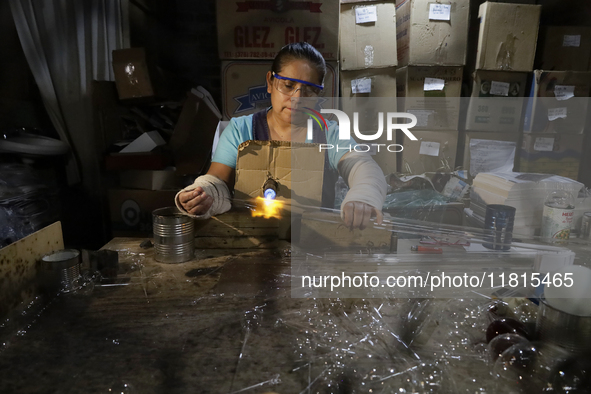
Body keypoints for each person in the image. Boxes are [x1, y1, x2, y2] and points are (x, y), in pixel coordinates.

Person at [175, 42, 387, 230]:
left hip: (315, 246)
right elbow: (217, 181)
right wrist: (204, 195)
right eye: (288, 85)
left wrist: (363, 196)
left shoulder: (330, 134)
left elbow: (364, 168)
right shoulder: (241, 130)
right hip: (251, 243)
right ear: (270, 82)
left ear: (319, 94)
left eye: (309, 90)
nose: (297, 98)